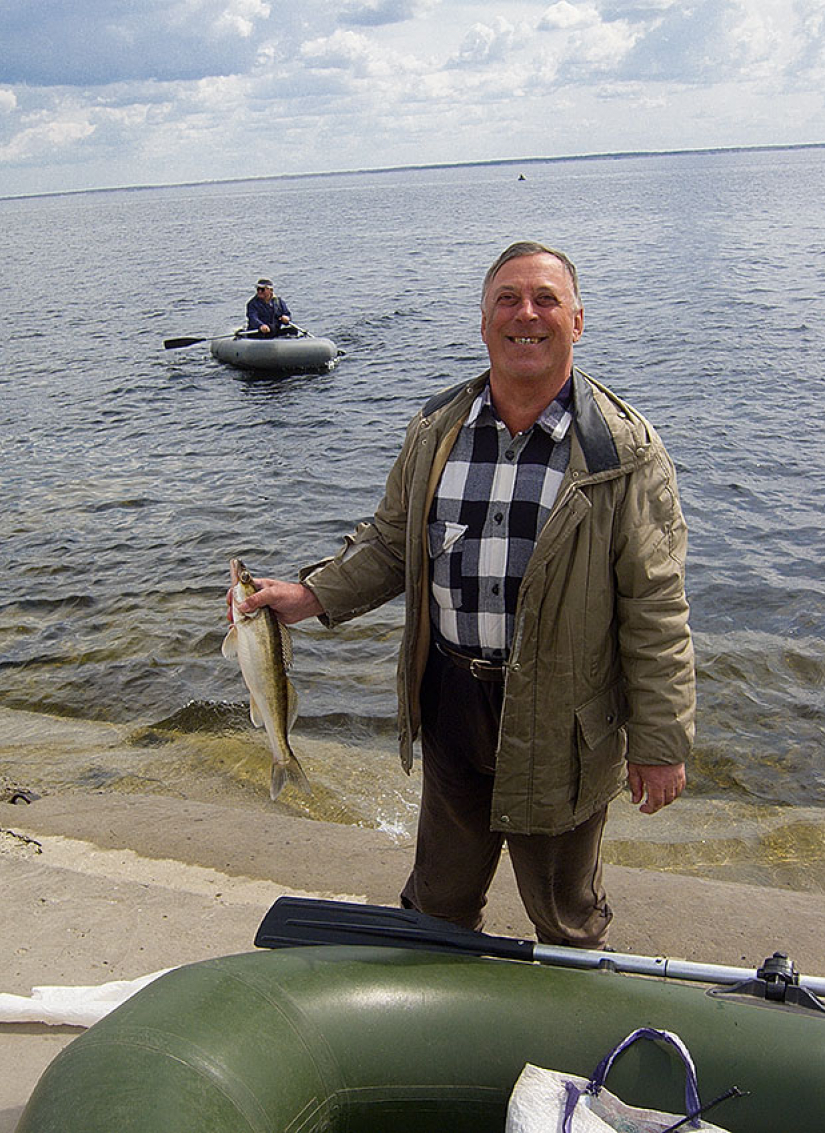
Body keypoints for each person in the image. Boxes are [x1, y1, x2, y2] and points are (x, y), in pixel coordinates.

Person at [230, 241, 695, 948]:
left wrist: (659, 741)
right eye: (507, 299)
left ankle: (567, 1025)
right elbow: (391, 542)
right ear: (484, 323)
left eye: (544, 299)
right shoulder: (436, 428)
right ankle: (433, 1017)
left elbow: (655, 607)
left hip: (564, 722)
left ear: (577, 319)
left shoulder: (623, 453)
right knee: (437, 902)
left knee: (566, 913)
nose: (525, 314)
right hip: (450, 704)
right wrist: (310, 595)